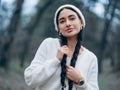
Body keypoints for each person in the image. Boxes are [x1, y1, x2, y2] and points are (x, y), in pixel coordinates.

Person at [24, 4, 99, 90]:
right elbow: (30, 79)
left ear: (81, 23)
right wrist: (55, 61)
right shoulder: (49, 44)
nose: (67, 24)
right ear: (58, 28)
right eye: (62, 21)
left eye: (72, 18)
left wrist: (80, 81)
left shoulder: (91, 58)